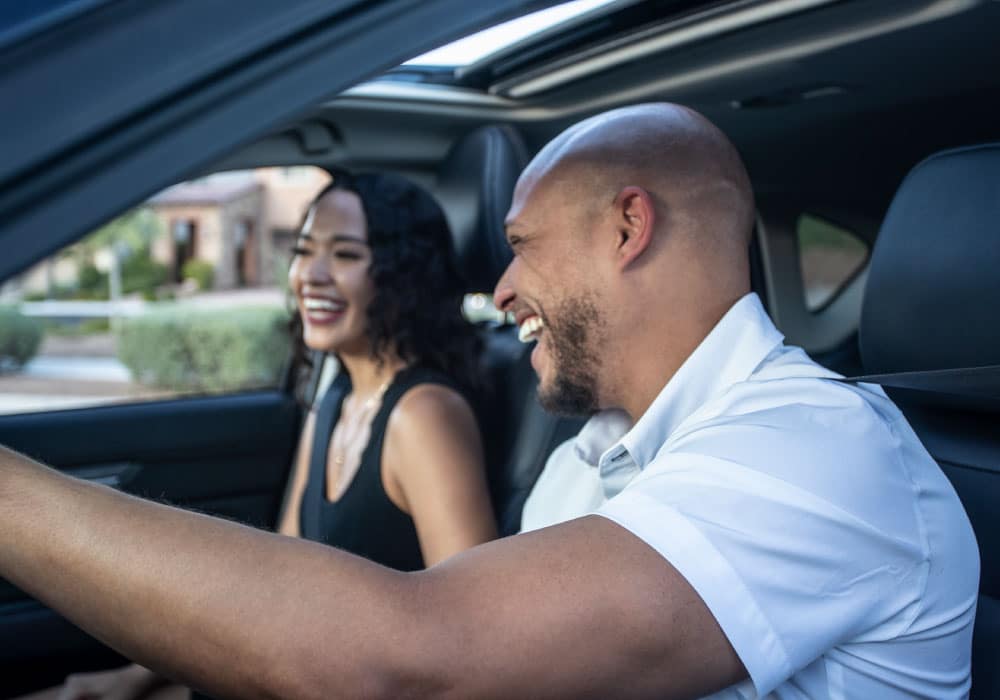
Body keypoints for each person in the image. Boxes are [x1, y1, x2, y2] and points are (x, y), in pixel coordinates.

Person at [0, 103, 979, 699]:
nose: (499, 290)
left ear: (627, 226)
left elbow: (417, 656)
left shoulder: (817, 448)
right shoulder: (586, 453)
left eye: (522, 245)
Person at [22, 171, 498, 700]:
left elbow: (470, 640)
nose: (310, 275)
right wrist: (133, 678)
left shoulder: (424, 414)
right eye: (303, 250)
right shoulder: (334, 397)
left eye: (344, 255)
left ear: (403, 274)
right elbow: (278, 578)